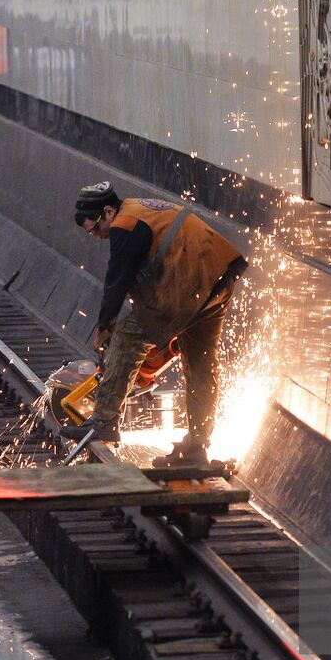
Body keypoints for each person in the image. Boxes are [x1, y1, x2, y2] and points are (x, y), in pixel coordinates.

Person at [60, 182, 247, 467]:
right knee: (200, 363)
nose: (97, 236)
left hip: (189, 282)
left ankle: (104, 420)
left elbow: (117, 280)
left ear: (108, 211)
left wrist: (105, 328)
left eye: (95, 229)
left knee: (128, 337)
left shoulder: (124, 225)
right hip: (219, 278)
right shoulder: (140, 209)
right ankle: (197, 445)